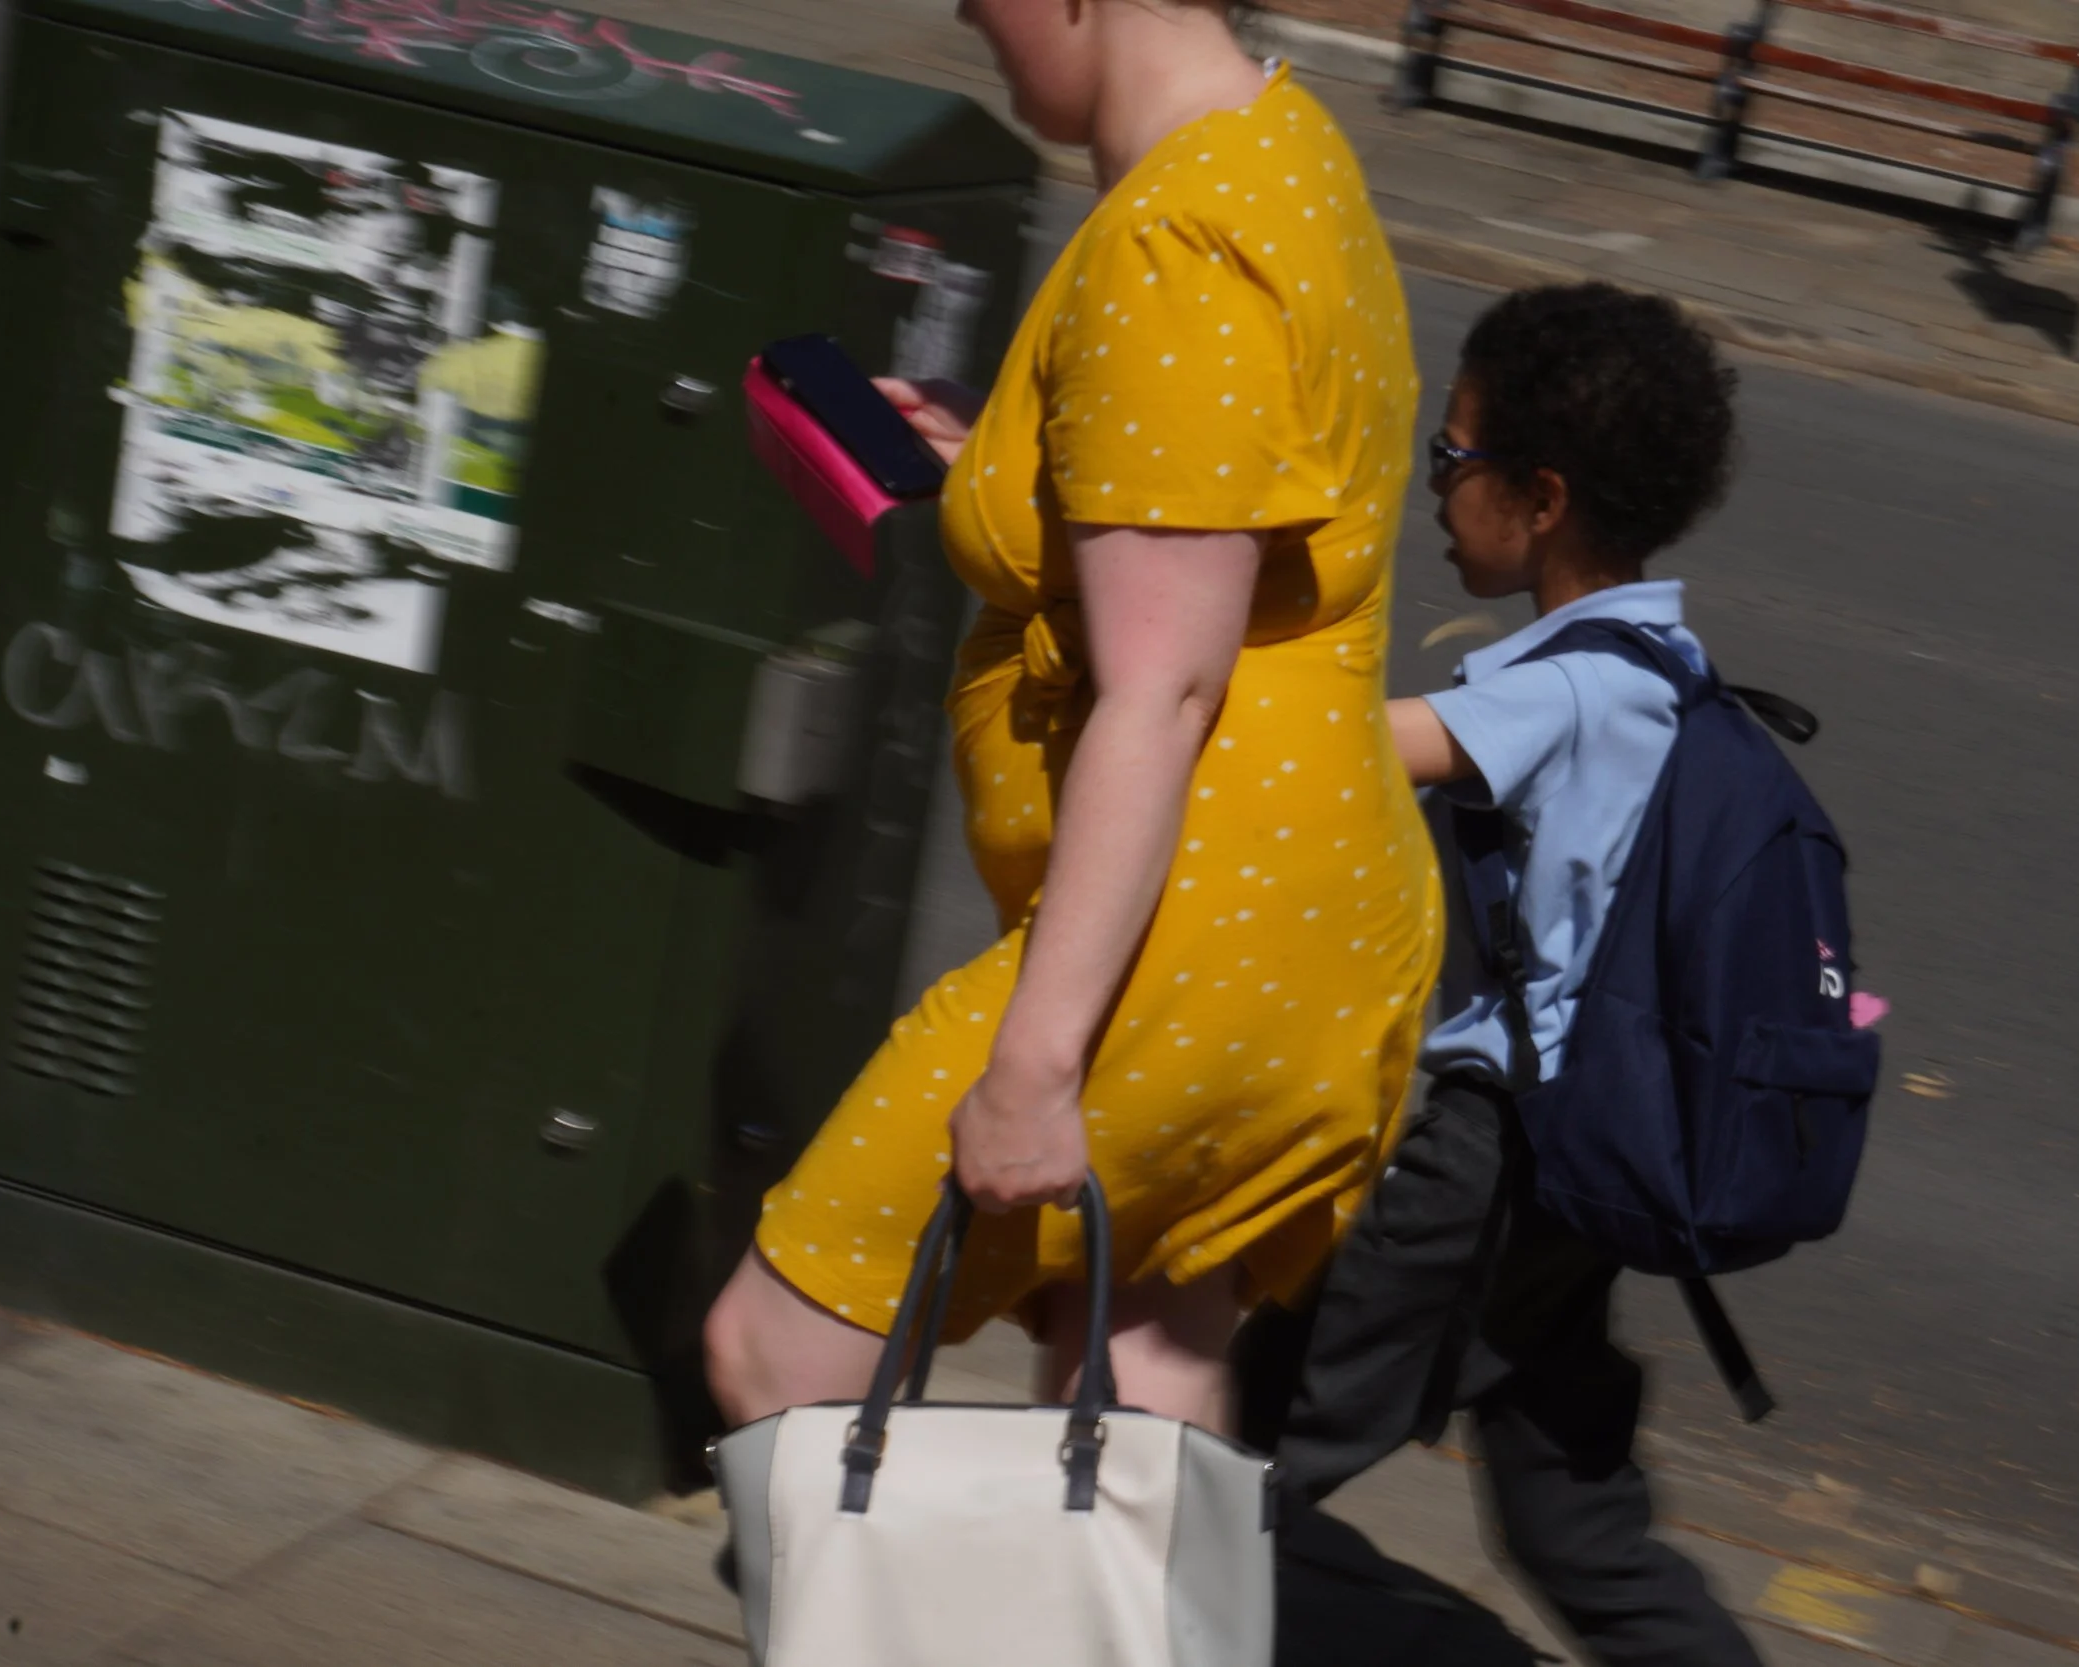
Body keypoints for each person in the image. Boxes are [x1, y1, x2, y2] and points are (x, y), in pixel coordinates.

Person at [704, 0, 1442, 1441]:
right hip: (1301, 922)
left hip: (1199, 934)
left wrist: (1034, 1069)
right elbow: (1228, 491)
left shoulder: (1176, 237)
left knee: (776, 1360)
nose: (964, 9)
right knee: (1135, 1384)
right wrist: (1022, 456)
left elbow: (1164, 688)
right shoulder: (1283, 145)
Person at [1235, 282, 1764, 1666]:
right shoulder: (1665, 662)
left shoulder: (1564, 690)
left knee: (1247, 1441)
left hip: (1497, 1159)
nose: (1434, 488)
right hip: (1589, 1150)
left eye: (1449, 456)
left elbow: (1331, 747)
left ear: (1540, 498)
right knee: (1569, 1512)